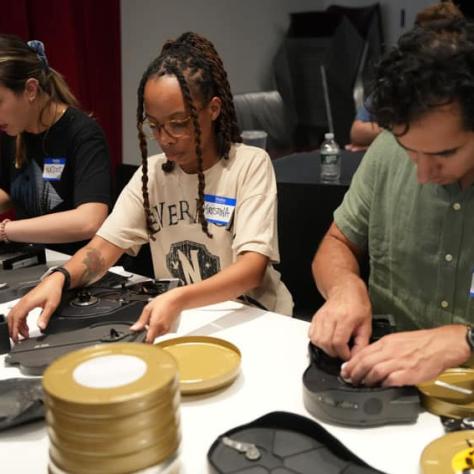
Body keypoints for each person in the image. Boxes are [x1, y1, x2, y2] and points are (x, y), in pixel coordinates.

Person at [7, 32, 293, 343]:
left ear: (213, 109)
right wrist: (60, 278)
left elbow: (251, 269)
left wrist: (177, 297)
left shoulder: (249, 165)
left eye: (179, 123)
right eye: (154, 125)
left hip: (255, 319)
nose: (165, 138)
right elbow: (101, 250)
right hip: (187, 320)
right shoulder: (151, 175)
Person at [310, 18, 474, 387]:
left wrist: (465, 340)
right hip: (383, 383)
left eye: (445, 154)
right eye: (410, 152)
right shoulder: (385, 150)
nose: (423, 174)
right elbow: (337, 243)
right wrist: (344, 287)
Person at [0, 35, 111, 255]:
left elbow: (89, 220)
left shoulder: (83, 134)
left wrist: (5, 229)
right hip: (30, 262)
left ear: (30, 90)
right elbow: (10, 191)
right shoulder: (12, 128)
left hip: (77, 266)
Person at [345, 0, 463, 153]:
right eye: (425, 40)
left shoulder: (464, 84)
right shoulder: (403, 80)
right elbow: (358, 132)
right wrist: (397, 139)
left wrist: (390, 137)